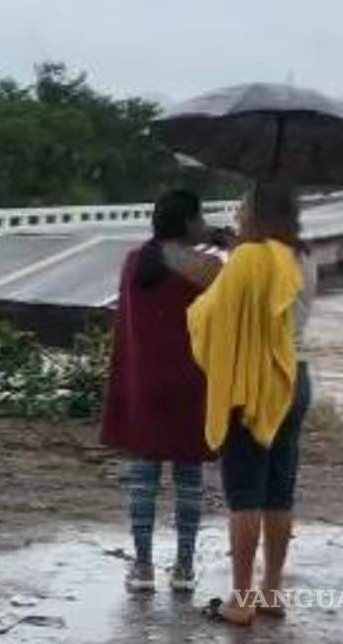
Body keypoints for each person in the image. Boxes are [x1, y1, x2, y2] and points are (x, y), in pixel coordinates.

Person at [187, 185, 315, 626]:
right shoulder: (304, 256)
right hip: (297, 379)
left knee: (245, 495)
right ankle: (272, 590)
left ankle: (240, 600)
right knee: (280, 492)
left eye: (243, 208)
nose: (238, 215)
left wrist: (217, 278)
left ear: (256, 215)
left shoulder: (250, 260)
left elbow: (211, 316)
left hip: (253, 385)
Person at [100, 190, 225, 593]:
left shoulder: (135, 262)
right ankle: (184, 569)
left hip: (145, 385)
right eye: (200, 217)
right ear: (188, 223)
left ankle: (142, 568)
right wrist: (229, 245)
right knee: (189, 478)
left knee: (142, 478)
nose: (205, 223)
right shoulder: (204, 267)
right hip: (191, 384)